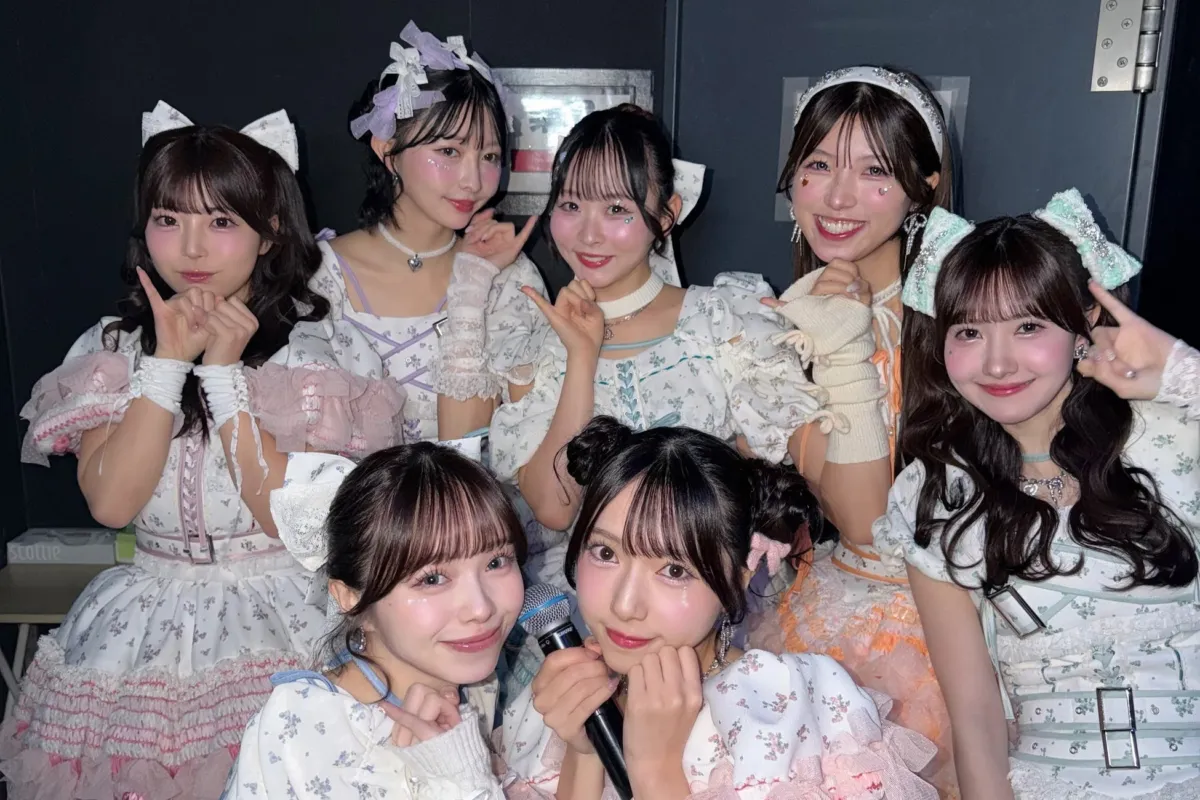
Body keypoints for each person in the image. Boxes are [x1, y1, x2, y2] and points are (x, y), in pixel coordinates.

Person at [1, 103, 402, 799]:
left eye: (220, 222)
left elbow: (292, 521)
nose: (191, 250)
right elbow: (112, 504)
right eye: (168, 219)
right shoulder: (111, 347)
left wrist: (223, 377)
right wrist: (166, 363)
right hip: (139, 627)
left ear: (269, 230)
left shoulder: (317, 351)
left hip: (284, 617)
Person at [874, 190, 1200, 798]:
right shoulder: (937, 492)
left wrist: (1183, 372)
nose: (998, 364)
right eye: (969, 331)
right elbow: (975, 719)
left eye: (1028, 326)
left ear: (1085, 324)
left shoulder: (1175, 437)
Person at [500, 417, 938, 800]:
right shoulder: (569, 695)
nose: (624, 605)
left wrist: (656, 772)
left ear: (741, 574)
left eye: (674, 570)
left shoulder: (779, 710)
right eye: (606, 553)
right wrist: (587, 751)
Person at [748, 65, 958, 795]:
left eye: (874, 171)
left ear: (924, 186)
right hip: (831, 605)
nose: (837, 197)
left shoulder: (967, 322)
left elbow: (872, 524)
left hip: (950, 628)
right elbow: (843, 514)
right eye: (817, 165)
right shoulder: (779, 321)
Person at [226, 443, 525, 798]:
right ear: (350, 599)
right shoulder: (306, 727)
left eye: (496, 562)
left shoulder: (474, 681)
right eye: (432, 579)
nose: (481, 608)